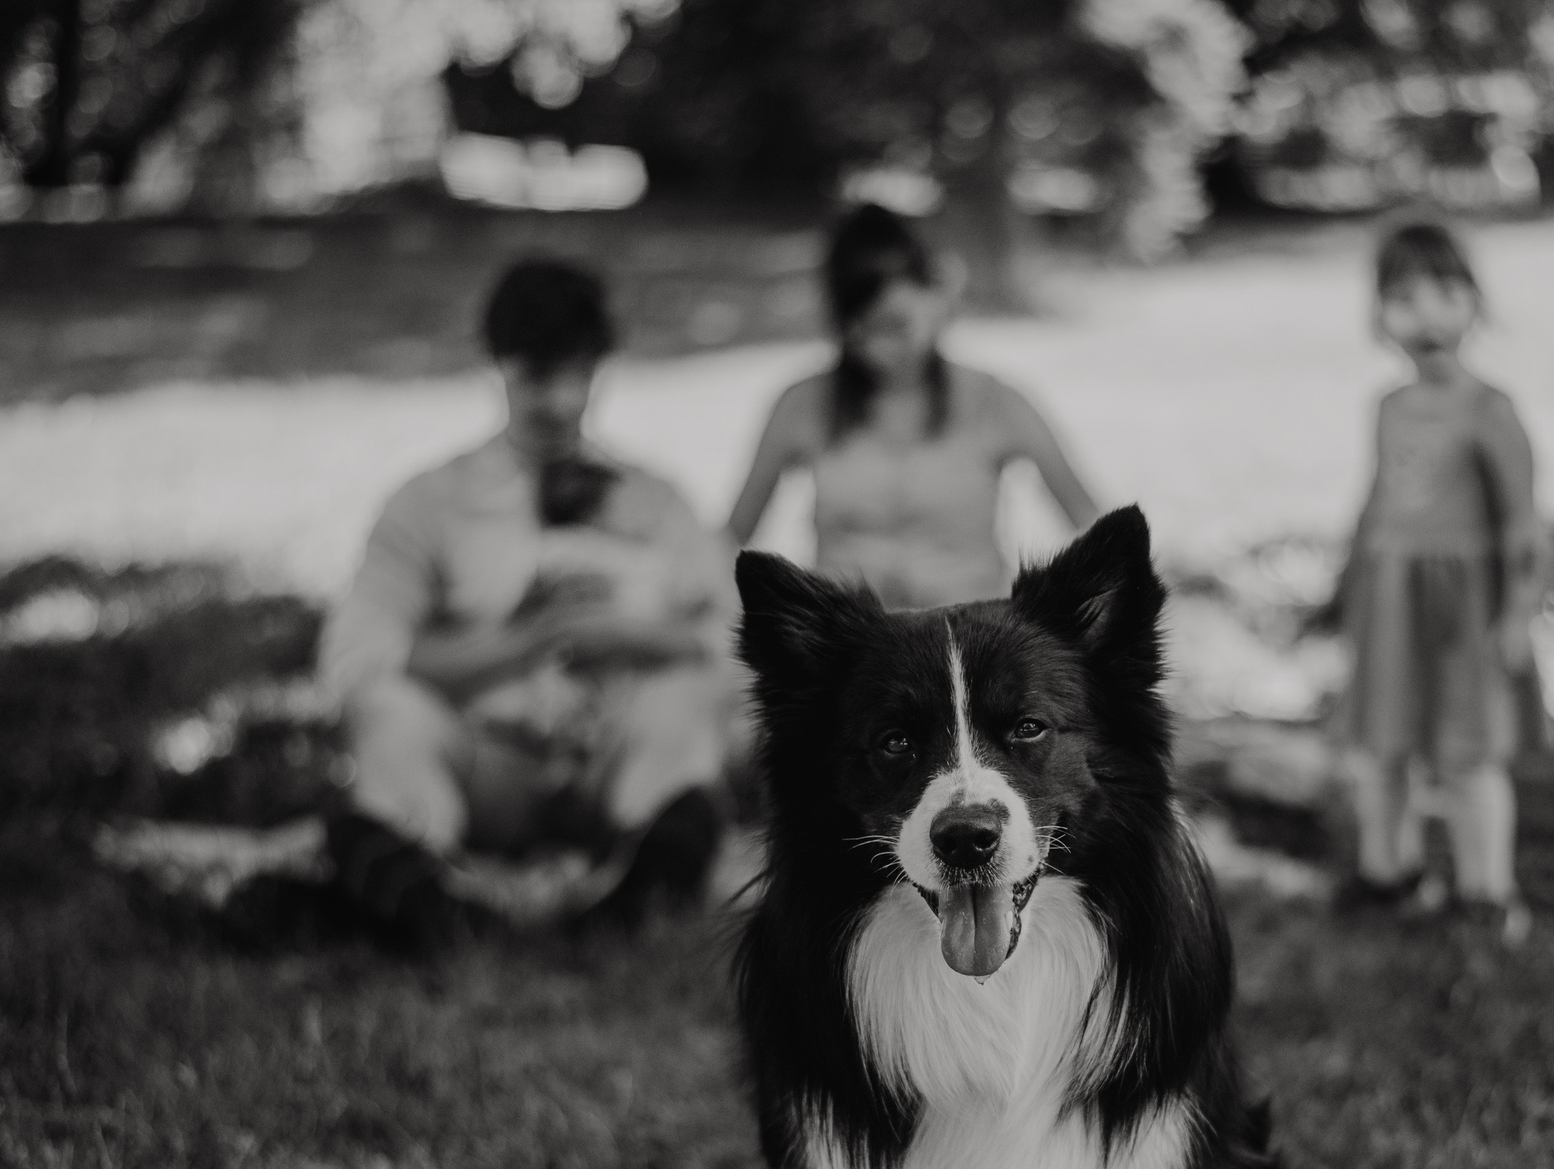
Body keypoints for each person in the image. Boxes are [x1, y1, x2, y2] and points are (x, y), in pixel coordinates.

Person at [316, 257, 733, 950]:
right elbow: (357, 652)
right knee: (386, 708)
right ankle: (424, 877)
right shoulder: (432, 502)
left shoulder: (654, 500)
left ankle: (650, 866)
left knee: (690, 696)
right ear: (500, 367)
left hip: (614, 752)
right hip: (489, 759)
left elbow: (734, 631)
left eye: (580, 374)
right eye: (538, 377)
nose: (562, 400)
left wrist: (627, 634)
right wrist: (524, 636)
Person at [724, 203, 1104, 609]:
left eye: (896, 324)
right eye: (860, 332)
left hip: (966, 645)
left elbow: (1092, 526)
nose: (879, 349)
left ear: (938, 296)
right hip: (850, 653)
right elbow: (730, 540)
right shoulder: (802, 404)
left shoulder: (997, 401)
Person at [1331, 218, 1543, 942]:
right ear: (1379, 314)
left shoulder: (1490, 410)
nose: (1427, 314)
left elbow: (1523, 522)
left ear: (1476, 303)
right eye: (1404, 297)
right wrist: (1345, 585)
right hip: (1391, 601)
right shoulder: (1387, 407)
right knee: (1379, 746)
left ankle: (1489, 893)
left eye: (1447, 292)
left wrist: (1518, 611)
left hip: (1465, 611)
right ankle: (1388, 871)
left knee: (1467, 755)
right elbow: (1375, 501)